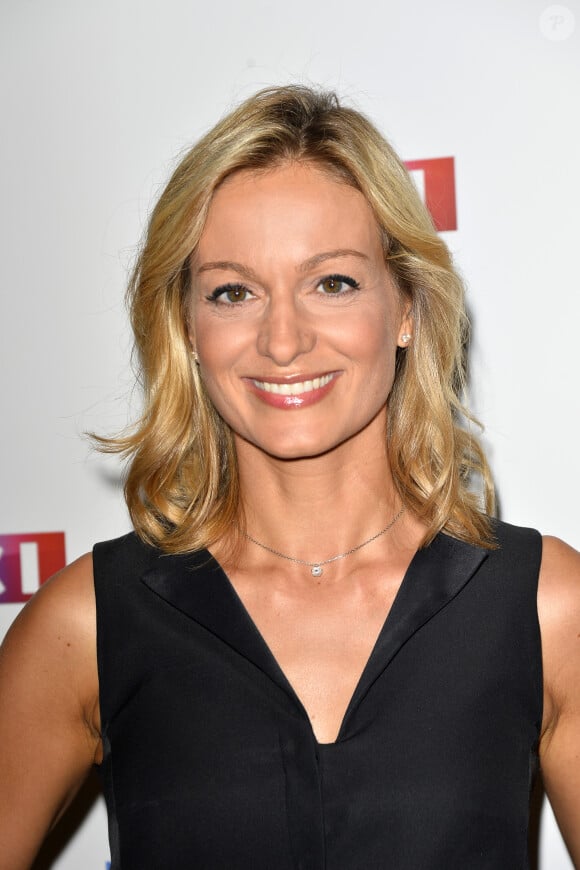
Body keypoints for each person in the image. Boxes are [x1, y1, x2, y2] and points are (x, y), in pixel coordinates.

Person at [0, 85, 579, 870]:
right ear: (187, 330)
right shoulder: (86, 624)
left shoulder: (547, 609)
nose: (282, 340)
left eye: (331, 282)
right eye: (233, 292)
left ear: (406, 305)